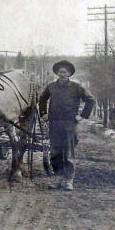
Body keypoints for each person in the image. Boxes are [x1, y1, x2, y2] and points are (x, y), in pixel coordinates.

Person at [39, 60, 95, 191]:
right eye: (60, 72)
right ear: (57, 73)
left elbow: (90, 100)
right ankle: (58, 179)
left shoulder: (76, 87)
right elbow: (42, 99)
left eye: (65, 72)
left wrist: (82, 116)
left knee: (68, 152)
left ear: (69, 73)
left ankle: (69, 180)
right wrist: (43, 114)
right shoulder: (51, 86)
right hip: (54, 124)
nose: (62, 74)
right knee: (55, 152)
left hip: (69, 124)